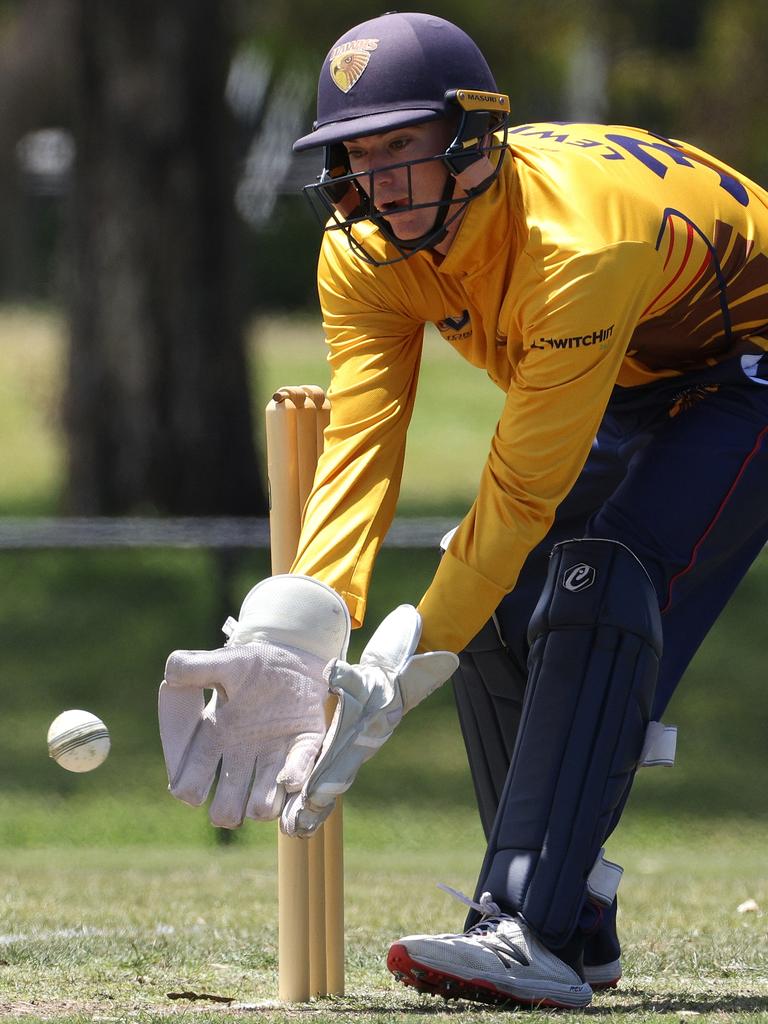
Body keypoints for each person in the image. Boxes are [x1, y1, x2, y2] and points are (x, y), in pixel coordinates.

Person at [157, 11, 768, 1009]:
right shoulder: (361, 249)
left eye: (403, 147)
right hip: (641, 368)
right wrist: (297, 631)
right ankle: (567, 919)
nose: (379, 180)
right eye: (358, 153)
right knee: (495, 589)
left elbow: (522, 492)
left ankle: (528, 922)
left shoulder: (578, 242)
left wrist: (393, 674)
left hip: (749, 366)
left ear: (471, 138)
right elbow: (360, 441)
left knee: (597, 572)